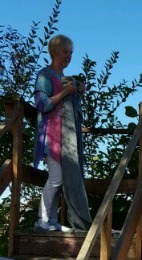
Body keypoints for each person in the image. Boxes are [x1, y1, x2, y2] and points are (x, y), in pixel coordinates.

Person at [33, 34, 92, 232]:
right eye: (66, 52)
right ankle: (42, 221)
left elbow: (71, 109)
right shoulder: (45, 75)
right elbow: (42, 104)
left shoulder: (65, 78)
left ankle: (52, 220)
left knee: (63, 178)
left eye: (71, 53)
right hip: (51, 134)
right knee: (56, 177)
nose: (69, 56)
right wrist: (66, 93)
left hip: (66, 137)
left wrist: (78, 93)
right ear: (55, 52)